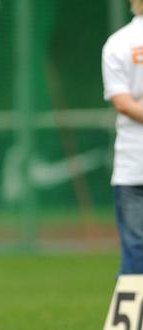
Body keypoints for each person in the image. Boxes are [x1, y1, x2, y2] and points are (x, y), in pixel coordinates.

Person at [103, 0, 143, 274]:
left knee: (135, 249)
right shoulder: (119, 42)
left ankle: (133, 318)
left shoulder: (118, 43)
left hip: (132, 165)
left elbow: (124, 103)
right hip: (133, 166)